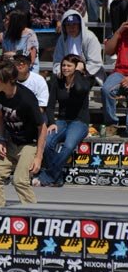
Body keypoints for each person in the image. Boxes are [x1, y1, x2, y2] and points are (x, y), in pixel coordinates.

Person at [0, 61, 45, 237]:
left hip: (29, 144)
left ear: (7, 80)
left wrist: (38, 157)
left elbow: (42, 127)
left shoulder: (26, 98)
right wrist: (1, 138)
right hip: (10, 142)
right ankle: (0, 220)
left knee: (20, 180)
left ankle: (34, 222)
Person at [34, 54, 91, 188]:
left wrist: (77, 72)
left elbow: (79, 89)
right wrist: (52, 122)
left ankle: (47, 175)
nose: (65, 68)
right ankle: (57, 177)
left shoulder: (86, 80)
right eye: (63, 65)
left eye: (69, 66)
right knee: (47, 143)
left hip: (79, 122)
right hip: (61, 120)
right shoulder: (56, 81)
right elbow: (50, 105)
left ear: (76, 67)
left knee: (68, 146)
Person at [51, 9, 103, 81]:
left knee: (78, 87)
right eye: (68, 25)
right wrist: (60, 71)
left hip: (86, 73)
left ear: (80, 25)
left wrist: (80, 70)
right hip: (66, 71)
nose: (71, 28)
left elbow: (95, 62)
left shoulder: (90, 37)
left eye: (74, 24)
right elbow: (57, 60)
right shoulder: (62, 39)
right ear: (64, 27)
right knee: (53, 82)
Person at [102, 17, 128, 136]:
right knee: (106, 89)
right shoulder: (122, 33)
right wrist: (118, 32)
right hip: (120, 72)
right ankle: (111, 124)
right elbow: (108, 51)